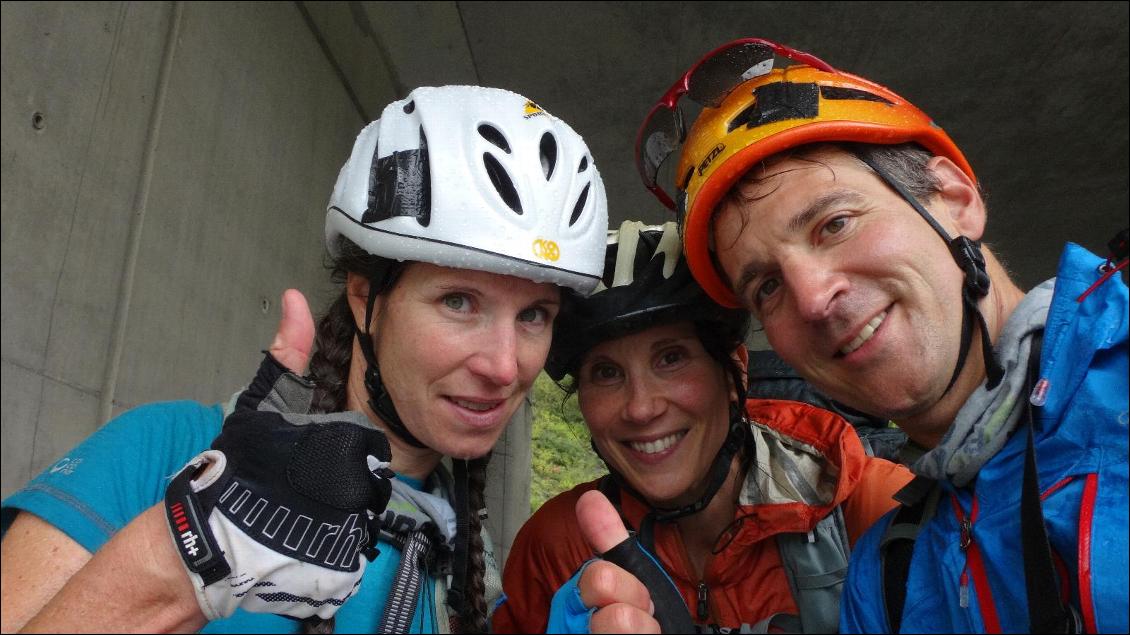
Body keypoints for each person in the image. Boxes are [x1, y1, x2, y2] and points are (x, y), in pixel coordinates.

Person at [0, 85, 609, 633]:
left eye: (534, 314)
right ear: (366, 295)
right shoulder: (163, 450)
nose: (506, 367)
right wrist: (181, 556)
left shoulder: (460, 553)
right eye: (458, 301)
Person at [628, 38, 1128, 632]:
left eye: (835, 223)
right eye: (766, 287)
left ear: (954, 198)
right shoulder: (887, 575)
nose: (812, 299)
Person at [492, 221, 913, 634]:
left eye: (671, 358)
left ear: (736, 373)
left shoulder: (874, 511)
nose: (641, 408)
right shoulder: (557, 545)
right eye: (605, 373)